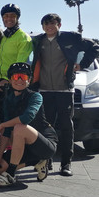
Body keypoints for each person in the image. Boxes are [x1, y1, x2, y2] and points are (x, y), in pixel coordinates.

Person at [31, 13, 99, 177]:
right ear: (42, 27)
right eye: (46, 24)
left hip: (65, 91)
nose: (49, 27)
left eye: (52, 23)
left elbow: (95, 47)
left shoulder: (71, 38)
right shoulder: (39, 41)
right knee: (47, 128)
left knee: (67, 126)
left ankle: (66, 164)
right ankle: (46, 161)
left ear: (59, 25)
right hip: (45, 91)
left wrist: (82, 64)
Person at [0, 62, 58, 187]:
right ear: (10, 80)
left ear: (29, 80)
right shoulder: (8, 99)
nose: (20, 80)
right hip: (25, 147)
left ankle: (10, 174)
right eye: (16, 77)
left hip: (45, 143)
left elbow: (27, 118)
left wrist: (3, 124)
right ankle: (37, 162)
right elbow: (6, 131)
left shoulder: (35, 96)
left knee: (19, 128)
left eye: (24, 77)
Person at [0, 4, 32, 123]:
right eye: (5, 16)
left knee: (11, 120)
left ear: (17, 18)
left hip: (12, 83)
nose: (9, 19)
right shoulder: (4, 37)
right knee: (1, 118)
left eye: (12, 16)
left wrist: (7, 80)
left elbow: (19, 65)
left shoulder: (23, 37)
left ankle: (15, 142)